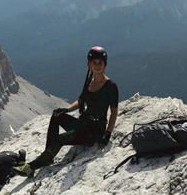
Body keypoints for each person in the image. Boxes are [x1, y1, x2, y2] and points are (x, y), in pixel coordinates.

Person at [17, 46, 118, 175]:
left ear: (105, 65)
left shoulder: (111, 86)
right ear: (89, 64)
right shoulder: (90, 82)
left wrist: (107, 134)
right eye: (94, 63)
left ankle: (31, 166)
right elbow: (81, 101)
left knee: (60, 139)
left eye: (100, 63)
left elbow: (114, 111)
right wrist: (66, 109)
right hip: (83, 124)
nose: (97, 66)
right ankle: (48, 155)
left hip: (94, 131)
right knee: (56, 116)